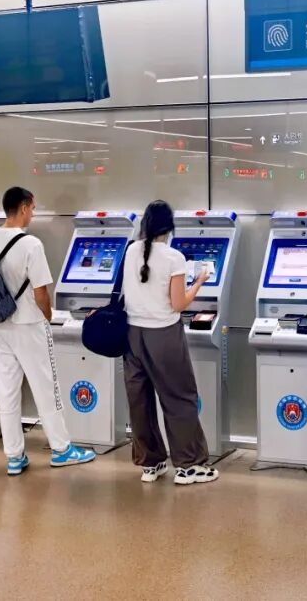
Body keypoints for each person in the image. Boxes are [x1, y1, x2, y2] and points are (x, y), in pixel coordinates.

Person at [0, 186, 96, 475]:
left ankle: (14, 456)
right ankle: (61, 449)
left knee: (6, 392)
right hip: (29, 325)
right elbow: (41, 292)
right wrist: (47, 317)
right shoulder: (31, 244)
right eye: (32, 208)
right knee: (46, 387)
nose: (32, 213)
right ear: (22, 208)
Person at [122, 200, 218, 485]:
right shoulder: (174, 257)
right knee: (179, 398)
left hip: (132, 336)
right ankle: (189, 466)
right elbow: (178, 304)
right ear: (169, 225)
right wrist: (199, 280)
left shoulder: (130, 251)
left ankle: (151, 464)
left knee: (139, 401)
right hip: (163, 336)